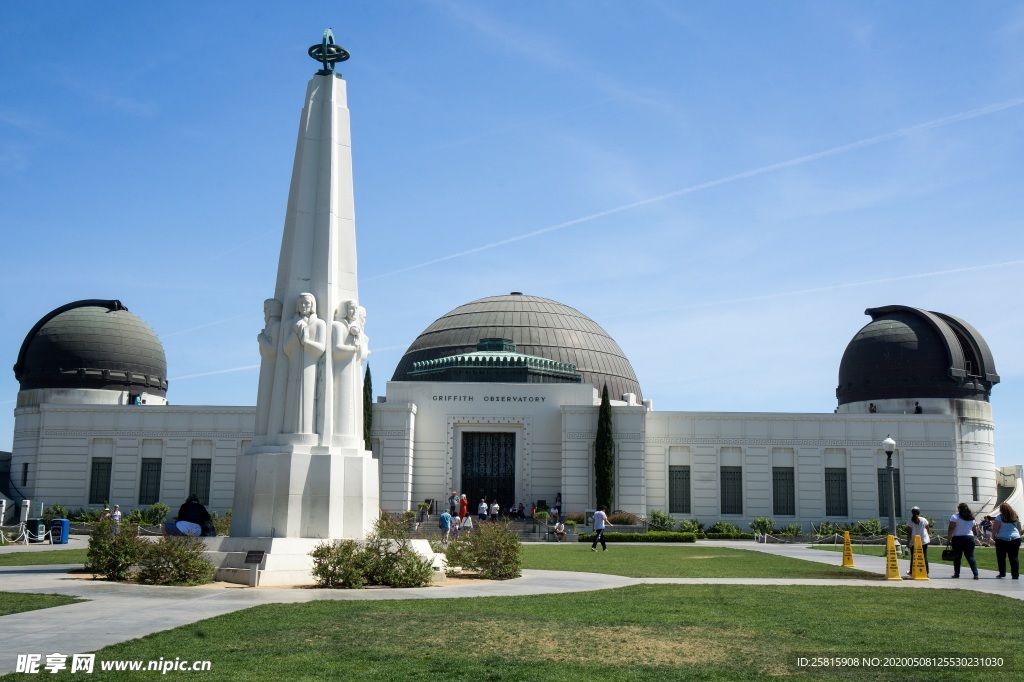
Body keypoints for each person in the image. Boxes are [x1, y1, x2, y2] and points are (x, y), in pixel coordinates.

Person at [946, 502, 980, 579]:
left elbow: (951, 528)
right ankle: (975, 573)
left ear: (959, 509)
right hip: (969, 538)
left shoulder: (955, 517)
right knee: (970, 556)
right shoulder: (971, 518)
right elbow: (974, 529)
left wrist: (949, 538)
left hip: (958, 538)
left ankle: (957, 573)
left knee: (957, 557)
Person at [992, 502, 1022, 579]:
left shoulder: (999, 517)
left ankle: (1002, 573)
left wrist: (993, 536)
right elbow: (1019, 529)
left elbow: (995, 528)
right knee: (1014, 557)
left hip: (1002, 538)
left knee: (1001, 557)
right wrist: (1018, 536)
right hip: (1015, 538)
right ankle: (1015, 575)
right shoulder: (1015, 517)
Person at [905, 506, 931, 575]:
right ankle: (926, 572)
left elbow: (909, 533)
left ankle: (912, 571)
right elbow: (928, 529)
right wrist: (927, 536)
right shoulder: (924, 520)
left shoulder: (910, 521)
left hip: (914, 541)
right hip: (924, 540)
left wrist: (908, 543)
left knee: (913, 556)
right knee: (924, 556)